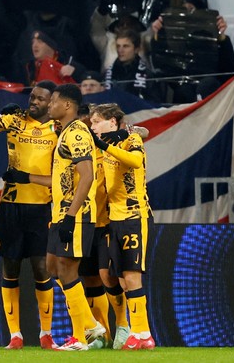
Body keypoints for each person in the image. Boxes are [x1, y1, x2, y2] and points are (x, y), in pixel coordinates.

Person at [0, 81, 59, 350]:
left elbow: (64, 175)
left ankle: (46, 334)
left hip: (42, 207)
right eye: (32, 96)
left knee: (43, 269)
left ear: (51, 102)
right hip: (11, 206)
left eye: (40, 99)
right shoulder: (14, 119)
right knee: (10, 268)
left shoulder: (58, 129)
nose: (34, 101)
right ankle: (15, 336)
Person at [45, 83, 106, 351]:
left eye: (53, 101)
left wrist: (70, 216)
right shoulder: (65, 132)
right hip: (59, 213)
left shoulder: (78, 132)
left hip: (76, 213)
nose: (49, 105)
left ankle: (82, 336)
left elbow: (88, 175)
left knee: (67, 268)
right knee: (52, 267)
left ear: (67, 105)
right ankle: (91, 324)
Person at [90, 103, 154, 350]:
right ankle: (135, 333)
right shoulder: (107, 146)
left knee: (132, 276)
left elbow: (136, 161)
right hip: (113, 219)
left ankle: (143, 334)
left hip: (134, 215)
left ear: (112, 122)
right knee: (120, 279)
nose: (93, 126)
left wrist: (108, 144)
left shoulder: (130, 141)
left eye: (96, 121)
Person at [104, 30, 164, 105]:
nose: (120, 50)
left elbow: (154, 103)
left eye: (125, 46)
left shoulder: (147, 74)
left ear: (136, 49)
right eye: (118, 46)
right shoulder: (108, 73)